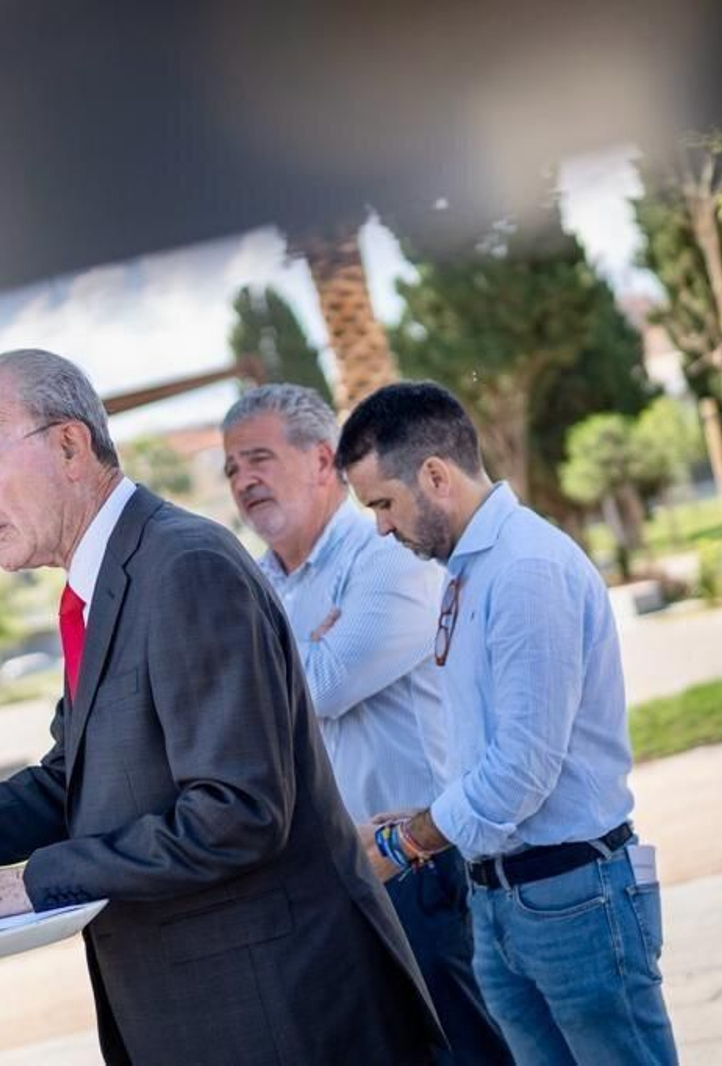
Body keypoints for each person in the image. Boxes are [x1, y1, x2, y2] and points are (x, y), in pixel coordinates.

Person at [0, 349, 444, 1064]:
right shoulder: (109, 581)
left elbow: (236, 815)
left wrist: (35, 881)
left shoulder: (184, 568)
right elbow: (72, 785)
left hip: (281, 1013)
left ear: (68, 446)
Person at [336, 380, 678, 1065]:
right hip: (503, 900)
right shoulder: (467, 571)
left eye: (383, 503)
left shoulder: (525, 569)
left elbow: (521, 768)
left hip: (573, 898)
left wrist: (407, 844)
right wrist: (426, 820)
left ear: (434, 476)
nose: (379, 526)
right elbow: (489, 751)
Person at [221, 384, 510, 1064]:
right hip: (333, 877)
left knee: (467, 1050)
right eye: (232, 468)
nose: (244, 480)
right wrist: (306, 649)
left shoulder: (387, 554)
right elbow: (239, 705)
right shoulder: (256, 587)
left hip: (421, 863)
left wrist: (278, 664)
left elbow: (318, 688)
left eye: (259, 458)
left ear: (324, 460)